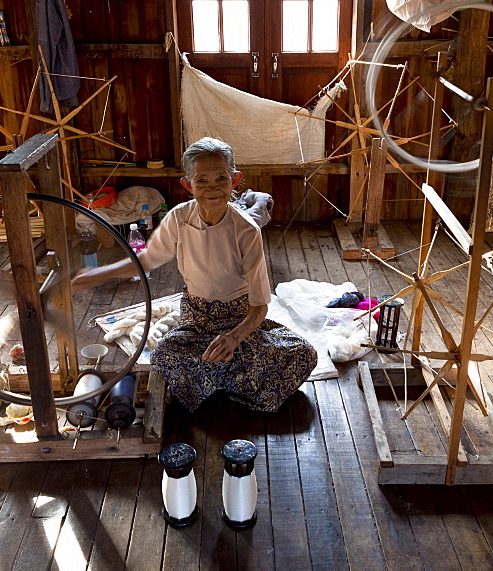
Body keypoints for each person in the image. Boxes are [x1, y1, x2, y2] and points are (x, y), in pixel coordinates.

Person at [71, 137, 317, 412]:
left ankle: (211, 383)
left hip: (239, 316)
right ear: (188, 185)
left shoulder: (246, 230)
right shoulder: (178, 218)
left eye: (220, 179)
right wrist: (98, 274)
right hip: (197, 318)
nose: (212, 188)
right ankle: (228, 380)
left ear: (235, 181)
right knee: (165, 352)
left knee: (302, 354)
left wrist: (233, 338)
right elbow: (147, 260)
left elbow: (259, 307)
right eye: (202, 180)